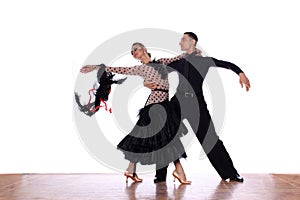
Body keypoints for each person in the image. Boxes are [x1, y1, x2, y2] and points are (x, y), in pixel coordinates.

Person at [144, 32, 250, 183]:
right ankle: (160, 176)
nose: (180, 42)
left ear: (192, 42)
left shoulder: (204, 61)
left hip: (197, 105)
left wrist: (240, 73)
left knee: (210, 139)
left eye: (183, 39)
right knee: (165, 134)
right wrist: (146, 82)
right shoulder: (179, 61)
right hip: (178, 102)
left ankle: (231, 173)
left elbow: (226, 64)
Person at [80, 42, 191, 184]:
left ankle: (131, 170)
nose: (134, 53)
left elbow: (176, 59)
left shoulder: (162, 63)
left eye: (135, 49)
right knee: (161, 139)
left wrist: (191, 52)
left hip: (164, 106)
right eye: (132, 52)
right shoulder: (141, 69)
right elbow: (121, 69)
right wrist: (96, 67)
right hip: (153, 107)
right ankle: (178, 171)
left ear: (144, 49)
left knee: (161, 139)